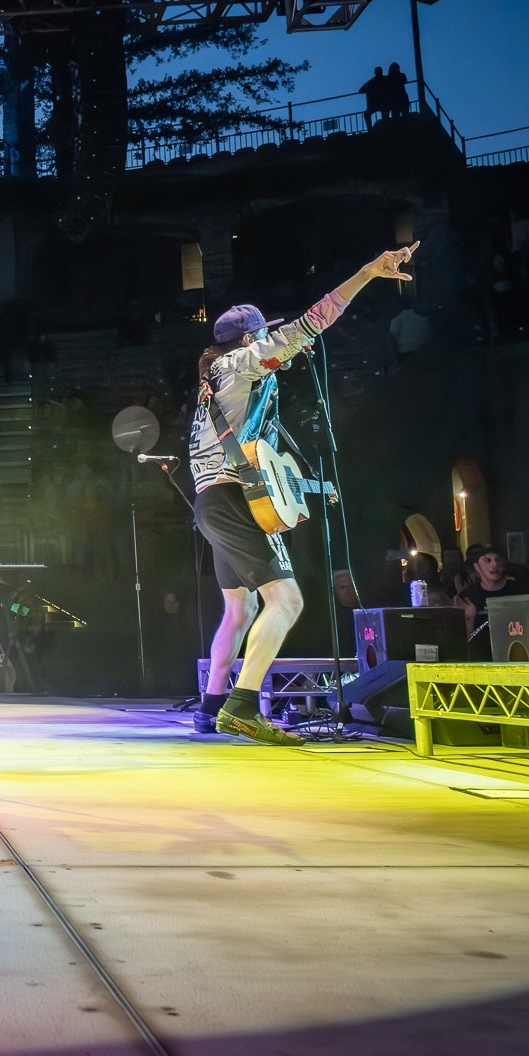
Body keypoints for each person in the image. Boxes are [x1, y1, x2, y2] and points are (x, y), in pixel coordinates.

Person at [188, 243, 419, 744]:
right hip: (233, 500)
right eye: (267, 333)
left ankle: (211, 705)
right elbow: (315, 320)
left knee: (241, 609)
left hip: (214, 501)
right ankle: (242, 707)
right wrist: (367, 272)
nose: (274, 338)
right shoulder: (243, 364)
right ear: (253, 338)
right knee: (287, 602)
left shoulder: (220, 378)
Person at [458, 544, 529, 647]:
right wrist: (469, 620)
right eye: (488, 560)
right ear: (477, 566)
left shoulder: (519, 590)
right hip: (481, 656)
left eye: (498, 560)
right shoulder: (468, 595)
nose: (494, 565)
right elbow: (461, 642)